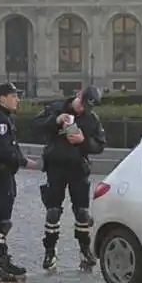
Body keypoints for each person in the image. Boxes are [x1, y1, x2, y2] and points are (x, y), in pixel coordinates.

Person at [33, 85, 106, 272]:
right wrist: (56, 120)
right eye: (82, 103)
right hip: (55, 167)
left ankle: (85, 250)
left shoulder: (91, 119)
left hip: (78, 168)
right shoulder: (56, 108)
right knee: (53, 212)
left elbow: (100, 145)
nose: (82, 109)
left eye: (87, 107)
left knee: (82, 212)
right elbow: (36, 125)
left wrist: (84, 141)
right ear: (78, 94)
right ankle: (50, 252)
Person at [0, 82, 38, 283]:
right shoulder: (0, 121)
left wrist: (21, 159)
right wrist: (23, 162)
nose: (17, 100)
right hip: (0, 173)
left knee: (4, 219)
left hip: (5, 173)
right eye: (13, 96)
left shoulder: (5, 119)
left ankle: (2, 259)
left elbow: (13, 146)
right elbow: (3, 150)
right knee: (1, 220)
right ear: (2, 99)